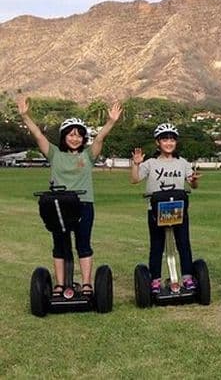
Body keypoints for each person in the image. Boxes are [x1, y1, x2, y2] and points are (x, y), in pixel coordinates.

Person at [17, 96, 122, 296]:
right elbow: (38, 135)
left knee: (83, 244)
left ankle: (87, 284)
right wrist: (25, 116)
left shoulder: (88, 156)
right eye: (71, 135)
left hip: (83, 205)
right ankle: (59, 284)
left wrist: (111, 122)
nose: (75, 138)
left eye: (79, 135)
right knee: (60, 244)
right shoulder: (55, 154)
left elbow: (99, 139)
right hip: (58, 207)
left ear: (83, 139)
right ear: (64, 136)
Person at [130, 123, 200, 292]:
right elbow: (134, 179)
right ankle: (155, 279)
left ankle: (187, 277)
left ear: (175, 142)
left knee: (183, 243)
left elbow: (193, 184)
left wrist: (194, 181)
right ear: (158, 142)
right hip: (155, 210)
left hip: (178, 209)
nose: (169, 143)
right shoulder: (151, 163)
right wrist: (136, 164)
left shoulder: (182, 162)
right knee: (157, 245)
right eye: (165, 140)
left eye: (172, 140)